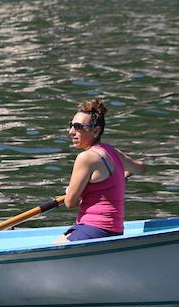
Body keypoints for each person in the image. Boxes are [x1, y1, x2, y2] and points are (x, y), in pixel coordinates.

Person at [55, 98, 146, 243]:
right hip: (115, 229)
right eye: (71, 125)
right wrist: (122, 175)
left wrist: (70, 192)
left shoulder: (86, 158)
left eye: (78, 127)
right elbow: (140, 168)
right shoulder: (112, 152)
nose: (71, 131)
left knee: (49, 250)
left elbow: (70, 203)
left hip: (95, 228)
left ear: (96, 131)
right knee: (56, 243)